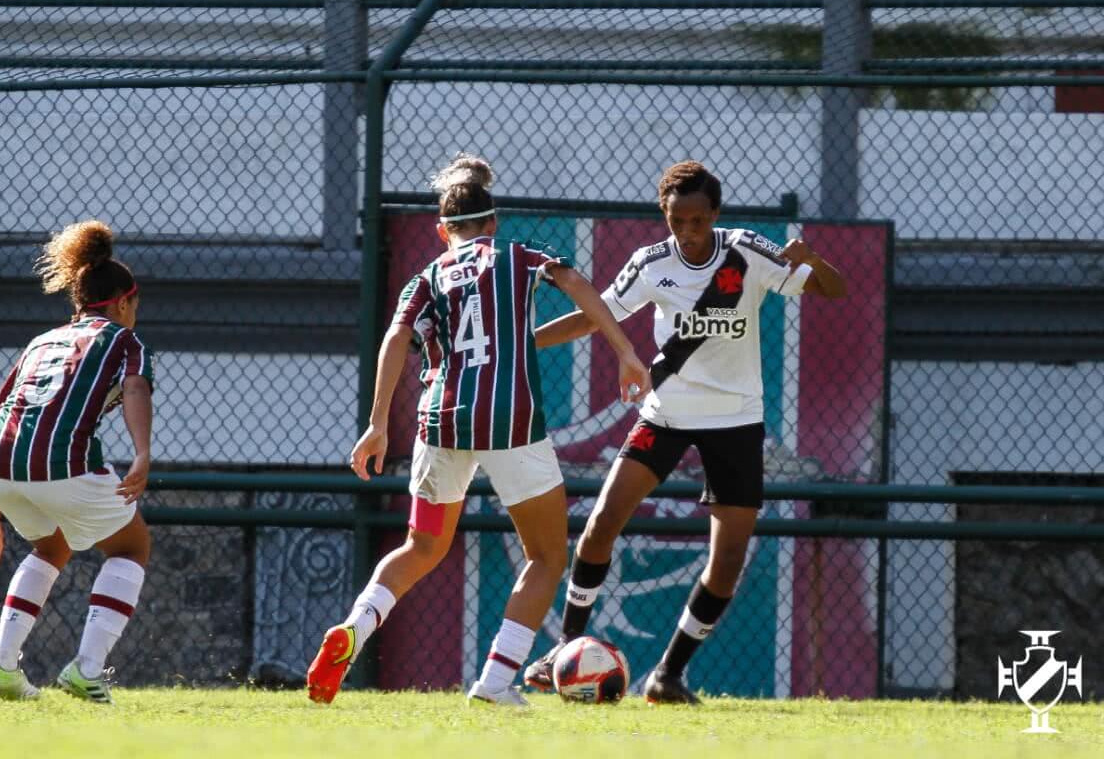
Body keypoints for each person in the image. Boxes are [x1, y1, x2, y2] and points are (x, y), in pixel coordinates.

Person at [306, 154, 650, 706]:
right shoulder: (517, 256)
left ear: (441, 230)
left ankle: (356, 626)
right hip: (510, 423)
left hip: (439, 422)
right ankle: (494, 682)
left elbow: (395, 340)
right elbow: (575, 282)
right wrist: (626, 352)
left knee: (420, 546)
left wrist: (375, 425)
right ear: (494, 222)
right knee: (544, 556)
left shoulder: (427, 277)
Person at [523, 161, 847, 704]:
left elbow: (833, 290)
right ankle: (565, 649)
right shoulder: (649, 264)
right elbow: (593, 317)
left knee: (727, 562)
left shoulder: (748, 252)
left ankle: (668, 675)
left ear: (715, 215)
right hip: (666, 414)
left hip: (736, 422)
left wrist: (811, 257)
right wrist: (523, 343)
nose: (688, 231)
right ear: (664, 216)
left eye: (698, 220)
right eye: (678, 220)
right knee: (602, 522)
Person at [0, 220, 154, 705]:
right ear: (124, 303)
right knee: (131, 547)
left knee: (53, 547)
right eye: (136, 305)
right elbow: (134, 387)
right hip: (60, 463)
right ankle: (87, 671)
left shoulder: (42, 342)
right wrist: (144, 454)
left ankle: (2, 667)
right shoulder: (122, 340)